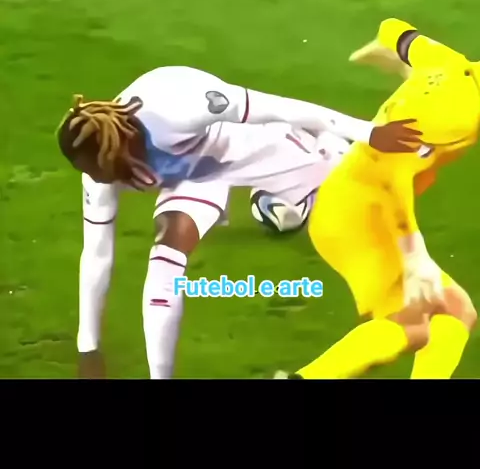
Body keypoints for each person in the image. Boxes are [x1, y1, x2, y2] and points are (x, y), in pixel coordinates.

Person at [56, 65, 420, 379]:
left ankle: (296, 187)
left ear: (116, 146)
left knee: (356, 192)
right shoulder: (99, 169)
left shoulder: (180, 107)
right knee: (165, 257)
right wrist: (89, 347)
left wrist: (370, 133)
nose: (100, 180)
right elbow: (97, 254)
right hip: (195, 177)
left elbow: (282, 108)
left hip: (245, 146)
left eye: (103, 171)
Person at [275, 19, 479, 381]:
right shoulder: (453, 115)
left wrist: (377, 55)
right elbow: (390, 175)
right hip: (357, 216)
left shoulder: (450, 65)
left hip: (362, 203)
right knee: (415, 323)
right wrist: (415, 256)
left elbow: (396, 32)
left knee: (454, 312)